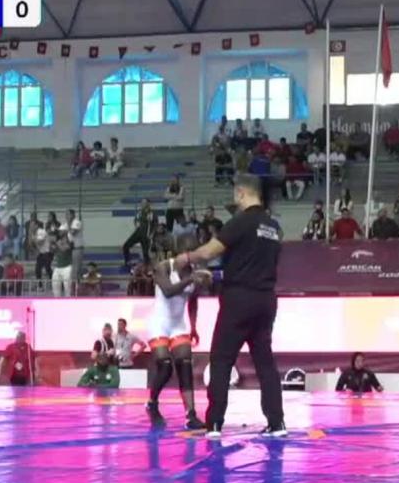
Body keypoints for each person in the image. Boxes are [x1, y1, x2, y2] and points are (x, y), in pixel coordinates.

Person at [173, 174, 285, 438]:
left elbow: (208, 252)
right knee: (265, 362)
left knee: (221, 359)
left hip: (239, 299)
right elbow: (254, 262)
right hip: (266, 299)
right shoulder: (274, 228)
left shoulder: (240, 222)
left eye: (236, 194)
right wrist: (220, 275)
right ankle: (277, 423)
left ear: (241, 193)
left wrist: (185, 257)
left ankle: (214, 423)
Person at [145, 238, 211, 430]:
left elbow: (193, 301)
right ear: (178, 254)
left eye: (193, 256)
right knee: (165, 366)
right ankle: (152, 403)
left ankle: (191, 415)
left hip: (178, 325)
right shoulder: (163, 267)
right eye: (188, 255)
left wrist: (193, 326)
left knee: (185, 365)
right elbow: (168, 291)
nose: (190, 260)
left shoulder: (193, 272)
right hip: (159, 324)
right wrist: (191, 279)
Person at [122, 200, 158, 268]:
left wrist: (152, 234)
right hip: (138, 233)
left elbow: (155, 225)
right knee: (125, 246)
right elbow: (135, 220)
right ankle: (127, 262)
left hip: (146, 235)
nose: (142, 204)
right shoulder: (139, 212)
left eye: (144, 202)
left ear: (148, 204)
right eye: (142, 203)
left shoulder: (152, 213)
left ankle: (148, 267)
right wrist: (136, 225)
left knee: (145, 254)